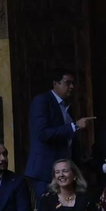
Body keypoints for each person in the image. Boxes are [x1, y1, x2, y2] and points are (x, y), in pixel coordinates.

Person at [23, 70, 92, 201]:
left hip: (63, 169)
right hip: (45, 169)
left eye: (73, 83)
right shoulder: (42, 101)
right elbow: (43, 134)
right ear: (55, 83)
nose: (72, 86)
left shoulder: (66, 106)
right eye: (68, 82)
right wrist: (75, 126)